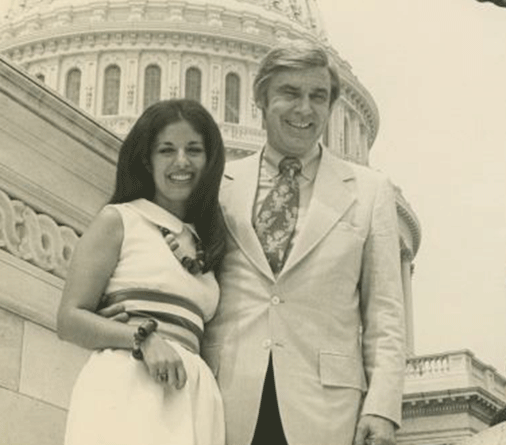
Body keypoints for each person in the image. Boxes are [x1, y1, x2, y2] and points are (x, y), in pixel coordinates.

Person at [202, 41, 406, 445]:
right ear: (261, 99)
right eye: (290, 93)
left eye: (318, 96)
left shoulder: (369, 191)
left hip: (328, 409)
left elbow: (384, 314)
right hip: (229, 400)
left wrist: (382, 406)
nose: (305, 109)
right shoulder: (220, 185)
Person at [57, 99, 226, 445]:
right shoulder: (119, 220)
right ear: (147, 160)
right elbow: (69, 319)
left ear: (209, 161)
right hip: (130, 384)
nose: (181, 161)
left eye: (194, 150)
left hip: (192, 393)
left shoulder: (206, 240)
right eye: (166, 150)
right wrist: (142, 338)